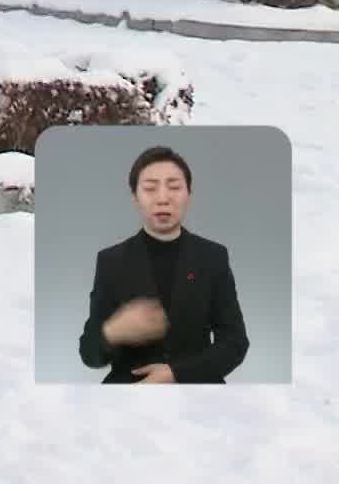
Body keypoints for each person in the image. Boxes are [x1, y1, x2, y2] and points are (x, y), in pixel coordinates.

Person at [78, 145, 250, 383]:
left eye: (174, 187)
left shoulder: (212, 257)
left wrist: (175, 374)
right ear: (135, 197)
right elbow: (89, 354)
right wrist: (113, 331)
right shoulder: (111, 261)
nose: (162, 198)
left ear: (189, 194)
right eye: (150, 188)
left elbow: (235, 343)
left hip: (198, 393)